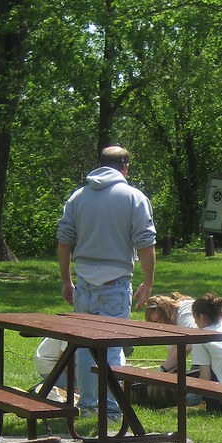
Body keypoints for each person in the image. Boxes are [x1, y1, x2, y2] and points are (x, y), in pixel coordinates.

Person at [56, 145, 156, 417]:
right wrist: (148, 281)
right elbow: (146, 244)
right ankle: (111, 410)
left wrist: (66, 281)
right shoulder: (134, 197)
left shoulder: (78, 197)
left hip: (84, 283)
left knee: (85, 349)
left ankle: (89, 406)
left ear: (99, 164)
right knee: (111, 348)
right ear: (125, 167)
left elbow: (64, 241)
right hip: (115, 285)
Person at [144, 292, 196, 372]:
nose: (158, 326)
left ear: (167, 313)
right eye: (154, 322)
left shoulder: (185, 313)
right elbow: (173, 361)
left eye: (159, 320)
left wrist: (161, 370)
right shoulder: (169, 323)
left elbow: (190, 343)